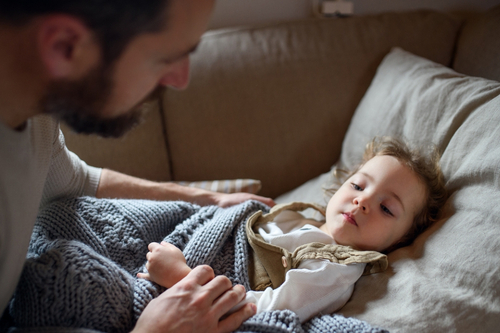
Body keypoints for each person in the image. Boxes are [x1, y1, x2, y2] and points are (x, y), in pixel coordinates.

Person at [0, 0, 276, 332]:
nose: (181, 79)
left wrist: (207, 199)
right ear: (64, 46)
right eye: (166, 58)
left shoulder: (33, 110)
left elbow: (75, 180)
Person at [138, 136, 448, 323]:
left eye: (386, 208)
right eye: (358, 184)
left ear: (401, 240)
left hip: (189, 285)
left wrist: (182, 277)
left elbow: (265, 311)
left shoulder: (336, 269)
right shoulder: (297, 217)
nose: (363, 200)